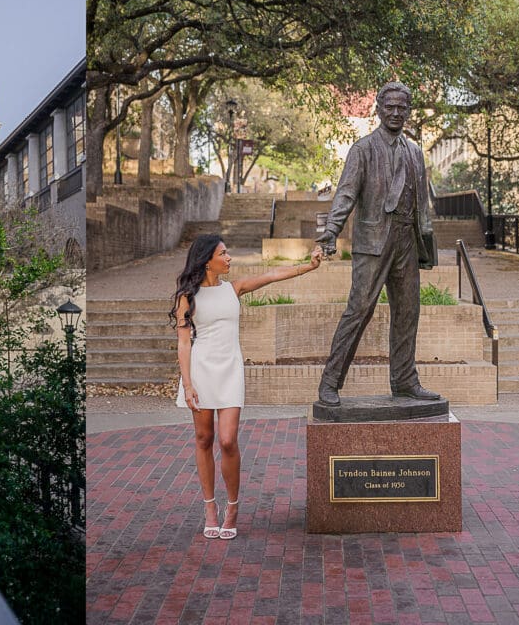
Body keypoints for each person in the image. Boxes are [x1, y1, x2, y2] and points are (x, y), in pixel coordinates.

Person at [170, 234, 322, 540]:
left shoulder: (233, 289)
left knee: (227, 440)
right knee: (204, 438)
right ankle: (210, 507)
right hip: (200, 371)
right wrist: (187, 385)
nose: (229, 258)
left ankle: (234, 506)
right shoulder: (187, 296)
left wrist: (308, 266)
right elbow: (184, 343)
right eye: (224, 254)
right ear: (207, 260)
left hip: (230, 369)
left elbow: (271, 275)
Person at [314, 80, 439, 407]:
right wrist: (331, 230)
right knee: (359, 311)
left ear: (408, 111)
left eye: (402, 108)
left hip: (406, 242)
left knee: (408, 312)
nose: (396, 113)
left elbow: (422, 202)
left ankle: (404, 381)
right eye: (390, 107)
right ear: (379, 109)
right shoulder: (363, 149)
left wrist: (425, 245)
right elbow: (345, 194)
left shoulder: (414, 151)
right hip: (372, 243)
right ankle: (330, 382)